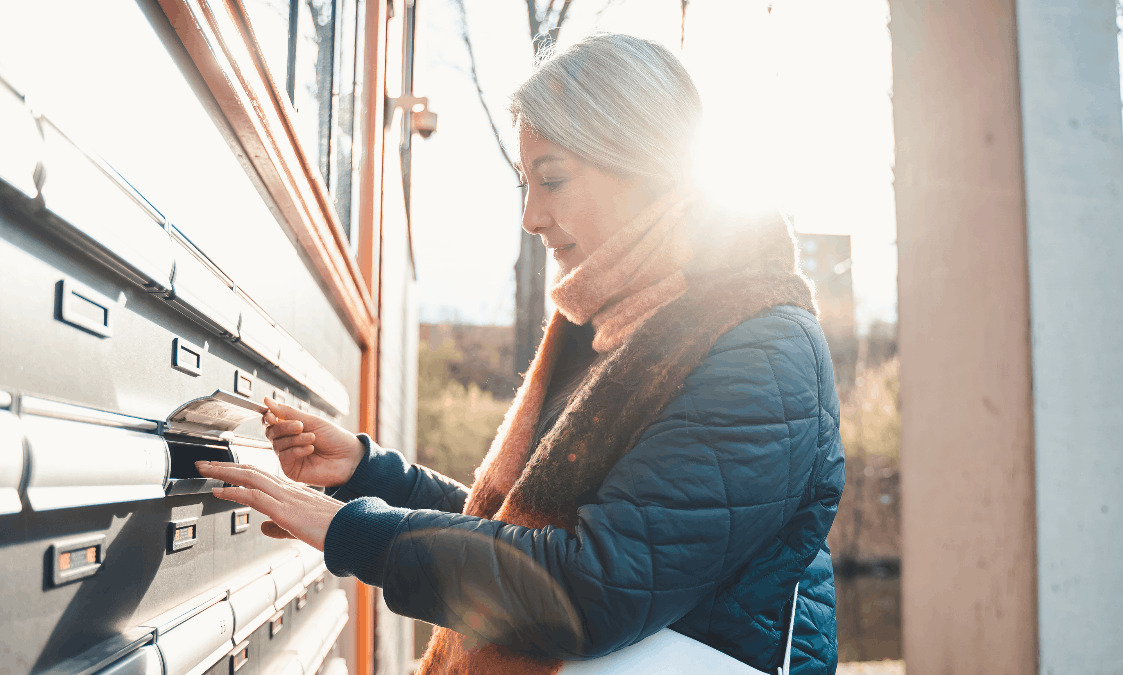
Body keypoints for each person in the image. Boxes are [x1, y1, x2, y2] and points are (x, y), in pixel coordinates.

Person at [196, 32, 845, 675]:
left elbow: (589, 587)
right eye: (524, 185)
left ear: (644, 161)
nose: (532, 216)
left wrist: (348, 531)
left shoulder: (763, 351)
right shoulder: (618, 334)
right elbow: (525, 532)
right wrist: (369, 472)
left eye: (552, 178)